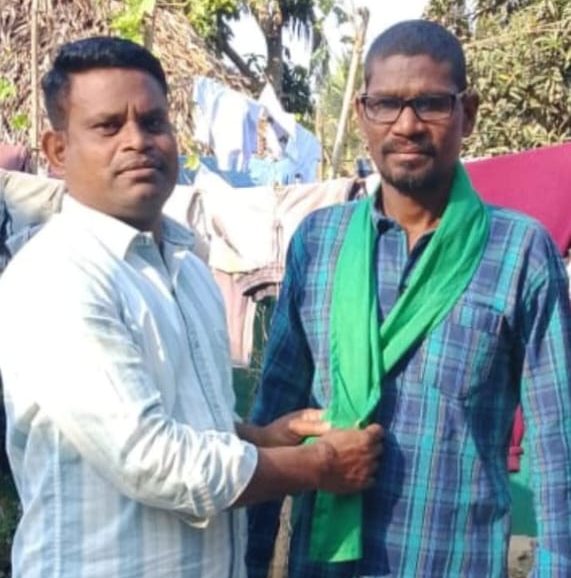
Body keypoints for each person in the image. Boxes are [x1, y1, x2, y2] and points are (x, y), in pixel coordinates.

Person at [0, 36, 383, 578]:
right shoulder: (57, 276)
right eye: (108, 126)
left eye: (153, 122)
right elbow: (150, 458)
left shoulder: (188, 267)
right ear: (58, 151)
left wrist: (258, 438)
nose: (137, 142)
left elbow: (187, 417)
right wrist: (318, 465)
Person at [247, 19, 571, 578]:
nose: (407, 124)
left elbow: (557, 442)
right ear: (361, 114)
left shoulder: (520, 251)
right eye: (387, 104)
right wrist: (252, 562)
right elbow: (274, 418)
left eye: (431, 104)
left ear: (468, 113)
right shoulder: (318, 243)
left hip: (454, 563)